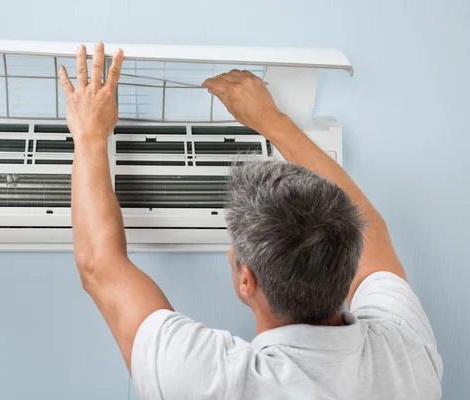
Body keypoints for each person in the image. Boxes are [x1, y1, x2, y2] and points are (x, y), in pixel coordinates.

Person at [57, 42, 443, 399]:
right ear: (346, 261)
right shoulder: (407, 353)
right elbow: (370, 228)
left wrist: (90, 136)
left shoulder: (213, 381)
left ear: (247, 280)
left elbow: (100, 266)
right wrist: (272, 120)